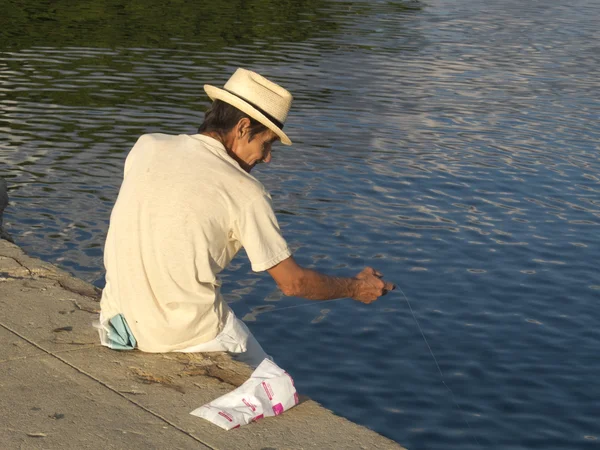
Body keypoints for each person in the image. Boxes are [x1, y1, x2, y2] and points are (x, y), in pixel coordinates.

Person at [97, 68, 394, 367]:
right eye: (265, 144)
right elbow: (293, 284)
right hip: (176, 336)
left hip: (115, 322)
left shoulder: (147, 145)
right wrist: (356, 288)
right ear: (242, 127)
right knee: (277, 389)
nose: (267, 158)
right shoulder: (245, 191)